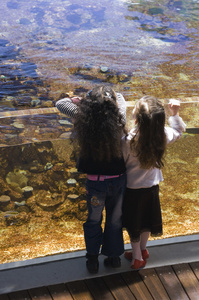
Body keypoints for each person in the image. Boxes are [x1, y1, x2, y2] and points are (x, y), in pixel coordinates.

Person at [56, 86, 127, 274]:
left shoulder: (84, 119)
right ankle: (114, 257)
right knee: (115, 220)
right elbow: (119, 97)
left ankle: (92, 258)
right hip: (118, 180)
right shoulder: (120, 118)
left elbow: (60, 103)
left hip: (95, 183)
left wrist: (80, 101)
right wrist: (110, 95)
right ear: (112, 105)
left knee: (94, 219)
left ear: (89, 107)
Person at [122, 96, 186, 270]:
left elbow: (121, 160)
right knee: (146, 220)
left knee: (134, 223)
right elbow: (179, 131)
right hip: (152, 187)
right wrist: (175, 113)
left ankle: (137, 258)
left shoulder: (129, 140)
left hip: (132, 189)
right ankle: (143, 250)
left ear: (137, 118)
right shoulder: (162, 135)